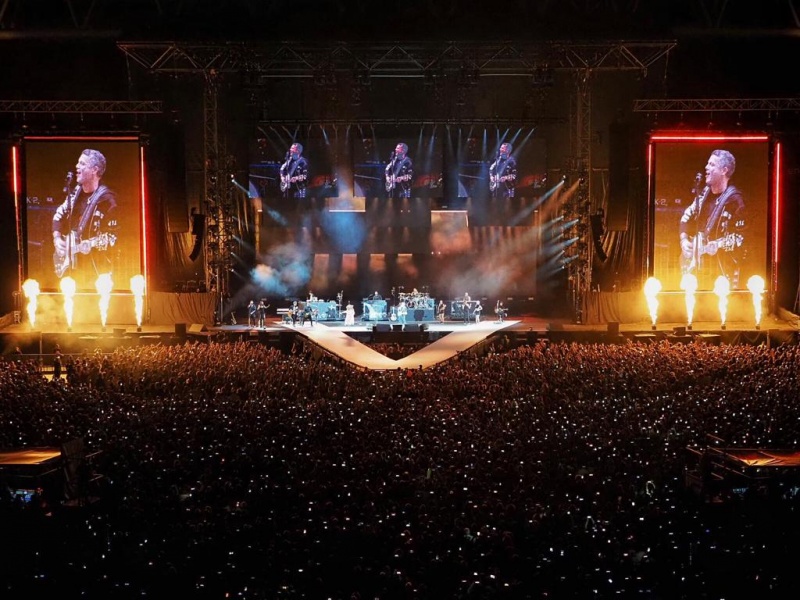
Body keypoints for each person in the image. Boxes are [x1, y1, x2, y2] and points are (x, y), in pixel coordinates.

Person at [679, 149, 746, 289]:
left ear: (724, 170)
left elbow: (740, 238)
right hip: (699, 271)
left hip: (719, 273)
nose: (706, 167)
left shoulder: (735, 201)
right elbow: (686, 216)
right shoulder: (704, 193)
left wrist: (717, 245)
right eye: (707, 164)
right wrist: (684, 240)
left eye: (711, 164)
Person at [52, 148, 119, 288]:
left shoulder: (107, 200)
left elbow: (114, 237)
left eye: (82, 164)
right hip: (74, 272)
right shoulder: (75, 192)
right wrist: (57, 238)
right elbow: (59, 214)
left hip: (96, 273)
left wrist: (92, 244)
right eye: (78, 163)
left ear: (94, 170)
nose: (77, 167)